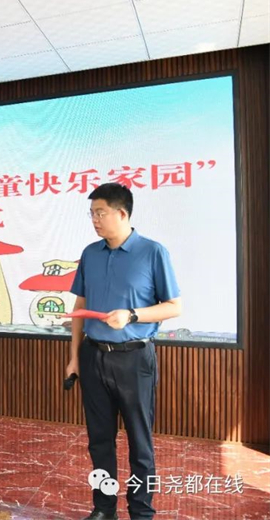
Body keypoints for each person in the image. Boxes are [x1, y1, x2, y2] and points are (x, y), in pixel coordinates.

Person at [66, 183, 181, 520]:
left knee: (139, 442)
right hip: (93, 356)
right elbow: (80, 306)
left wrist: (131, 315)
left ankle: (141, 512)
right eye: (91, 214)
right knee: (99, 440)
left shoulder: (152, 252)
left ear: (121, 213)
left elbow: (173, 307)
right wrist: (74, 357)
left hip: (134, 358)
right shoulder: (90, 254)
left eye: (100, 213)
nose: (94, 220)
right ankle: (104, 508)